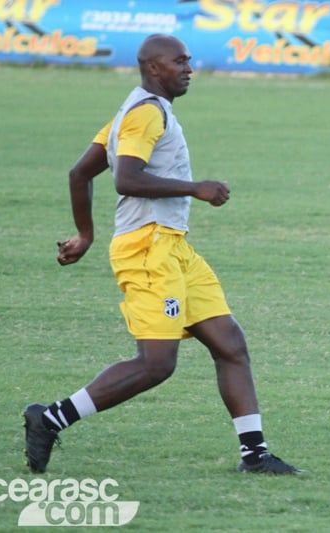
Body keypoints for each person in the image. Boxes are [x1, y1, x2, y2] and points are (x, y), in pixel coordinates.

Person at [24, 34, 302, 475]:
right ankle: (51, 418)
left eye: (189, 61)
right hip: (147, 249)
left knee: (230, 344)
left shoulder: (135, 111)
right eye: (180, 61)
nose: (189, 68)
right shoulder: (145, 115)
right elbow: (127, 179)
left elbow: (81, 173)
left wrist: (85, 234)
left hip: (173, 246)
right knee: (156, 364)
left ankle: (255, 455)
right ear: (154, 68)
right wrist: (197, 188)